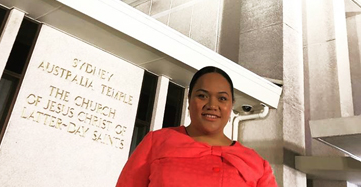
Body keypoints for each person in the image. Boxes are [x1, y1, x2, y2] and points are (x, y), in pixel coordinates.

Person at [115, 66, 279, 186]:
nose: (212, 105)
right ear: (189, 100)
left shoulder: (257, 164)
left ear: (231, 105)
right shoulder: (157, 142)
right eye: (202, 96)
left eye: (222, 98)